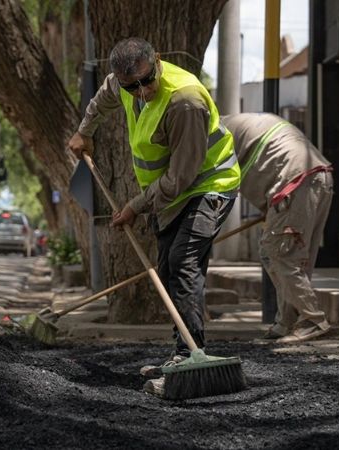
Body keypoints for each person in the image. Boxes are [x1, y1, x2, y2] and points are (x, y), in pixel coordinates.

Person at [66, 38, 240, 396]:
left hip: (209, 186)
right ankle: (183, 355)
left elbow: (182, 177)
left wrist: (134, 206)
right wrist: (85, 131)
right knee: (167, 271)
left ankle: (191, 353)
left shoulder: (184, 101)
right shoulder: (124, 83)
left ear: (157, 62)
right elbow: (102, 98)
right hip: (172, 197)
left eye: (147, 82)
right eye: (132, 87)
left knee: (183, 263)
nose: (141, 92)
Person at [221, 113, 333, 343]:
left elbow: (213, 188)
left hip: (294, 182)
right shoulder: (226, 124)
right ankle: (287, 322)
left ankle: (313, 319)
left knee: (279, 253)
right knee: (286, 255)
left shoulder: (205, 132)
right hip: (313, 177)